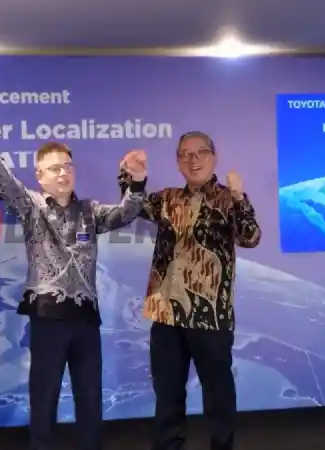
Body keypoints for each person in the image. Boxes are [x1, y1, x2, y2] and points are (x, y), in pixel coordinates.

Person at [0, 118, 147, 450]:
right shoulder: (32, 207)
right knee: (44, 396)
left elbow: (126, 213)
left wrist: (136, 183)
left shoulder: (90, 211)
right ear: (40, 176)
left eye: (67, 166)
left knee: (90, 398)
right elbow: (5, 182)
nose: (63, 173)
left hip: (86, 319)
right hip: (48, 317)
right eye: (54, 169)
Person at [118, 131, 261, 450]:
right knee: (167, 396)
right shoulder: (166, 198)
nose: (193, 160)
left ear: (214, 157)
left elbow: (250, 237)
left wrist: (240, 198)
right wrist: (133, 177)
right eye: (185, 154)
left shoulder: (228, 199)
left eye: (200, 152)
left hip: (211, 316)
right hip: (166, 315)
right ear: (177, 161)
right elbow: (132, 206)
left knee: (218, 397)